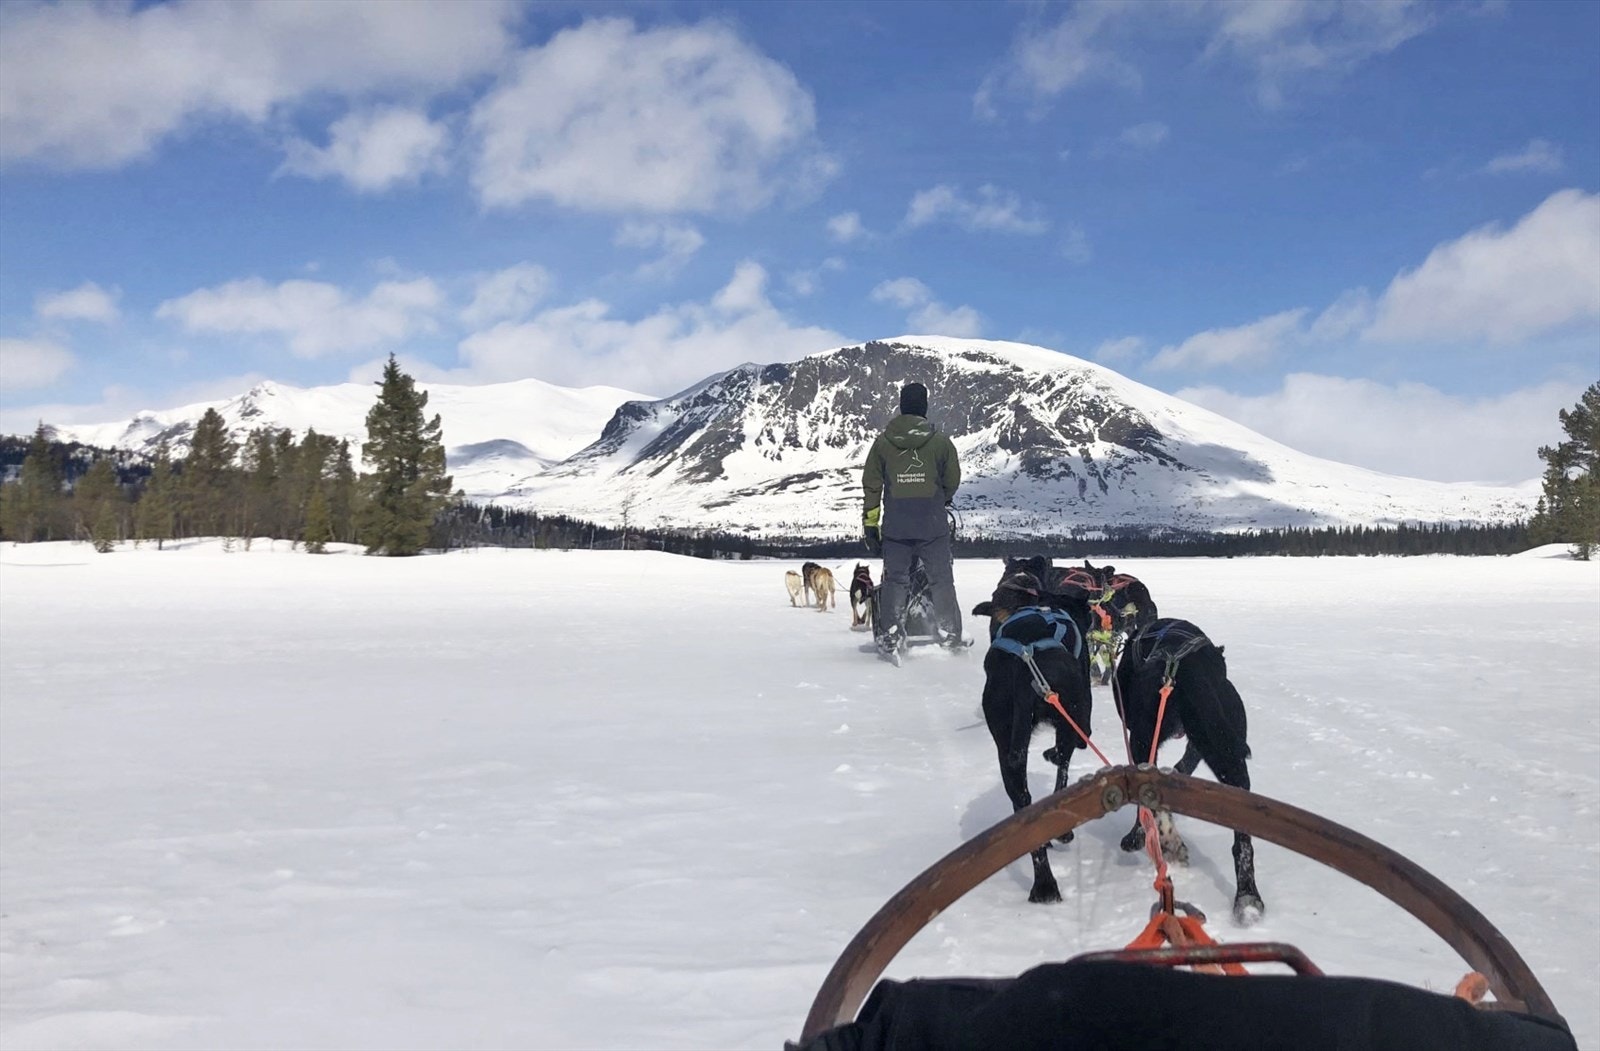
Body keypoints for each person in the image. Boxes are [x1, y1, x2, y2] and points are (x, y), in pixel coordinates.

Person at [862, 381, 964, 654]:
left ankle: (891, 633)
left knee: (896, 580)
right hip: (933, 525)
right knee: (941, 579)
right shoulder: (941, 442)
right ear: (925, 407)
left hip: (896, 527)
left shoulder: (882, 444)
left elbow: (872, 486)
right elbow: (952, 480)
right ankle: (949, 631)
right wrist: (938, 500)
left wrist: (870, 525)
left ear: (901, 407)